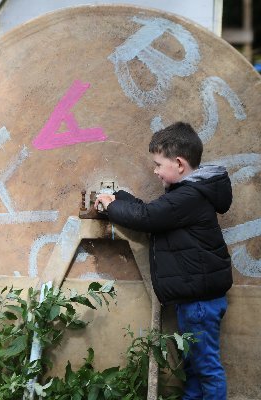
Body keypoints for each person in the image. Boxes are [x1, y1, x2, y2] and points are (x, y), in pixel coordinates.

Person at [94, 121, 233, 400]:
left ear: (179, 164)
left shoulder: (189, 196)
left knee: (207, 370)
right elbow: (150, 211)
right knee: (193, 368)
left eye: (158, 164)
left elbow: (147, 218)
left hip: (200, 304)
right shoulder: (189, 194)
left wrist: (110, 205)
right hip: (195, 299)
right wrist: (119, 196)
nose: (155, 171)